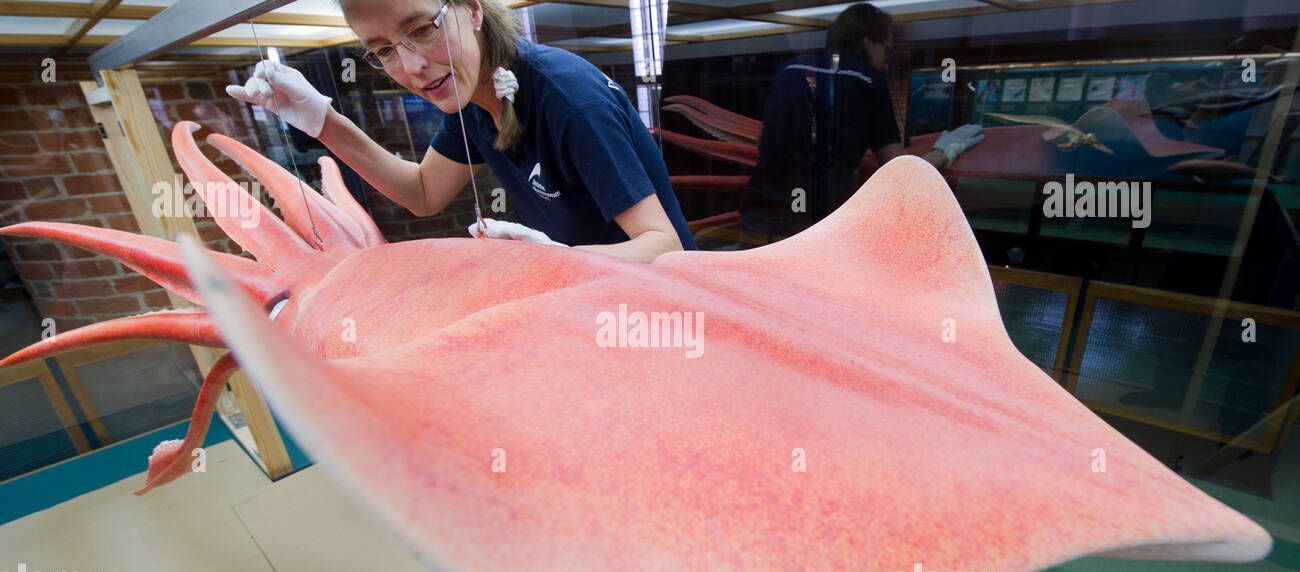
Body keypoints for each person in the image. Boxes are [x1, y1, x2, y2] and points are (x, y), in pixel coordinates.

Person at [228, 0, 696, 262]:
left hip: (661, 313)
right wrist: (322, 121)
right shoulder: (475, 97)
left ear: (472, 9)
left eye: (423, 30)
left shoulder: (569, 101)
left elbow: (663, 246)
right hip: (585, 298)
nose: (412, 66)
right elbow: (424, 192)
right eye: (384, 51)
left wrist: (554, 260)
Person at [739, 2, 984, 240]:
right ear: (867, 42)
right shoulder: (869, 80)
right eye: (885, 50)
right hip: (815, 224)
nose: (886, 63)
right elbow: (898, 171)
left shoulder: (791, 69)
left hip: (758, 214)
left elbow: (764, 140)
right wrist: (944, 150)